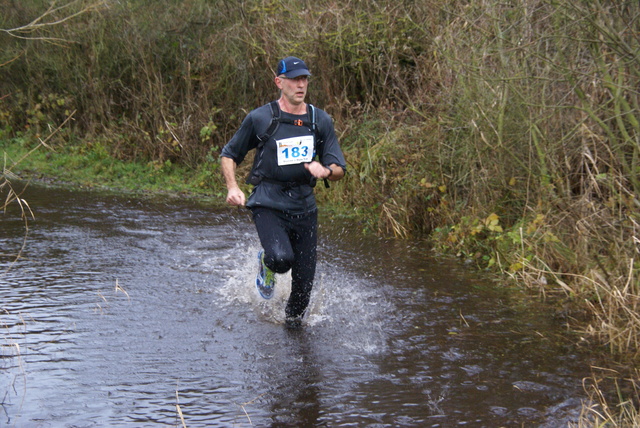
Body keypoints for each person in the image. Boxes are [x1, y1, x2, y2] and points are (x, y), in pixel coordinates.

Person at [220, 56, 346, 327]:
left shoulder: (319, 120)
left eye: (305, 79)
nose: (301, 85)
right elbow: (229, 154)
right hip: (268, 201)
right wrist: (233, 186)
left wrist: (326, 171)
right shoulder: (261, 118)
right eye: (294, 79)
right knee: (280, 258)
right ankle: (266, 262)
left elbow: (339, 167)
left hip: (304, 206)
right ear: (279, 82)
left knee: (302, 293)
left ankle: (292, 341)